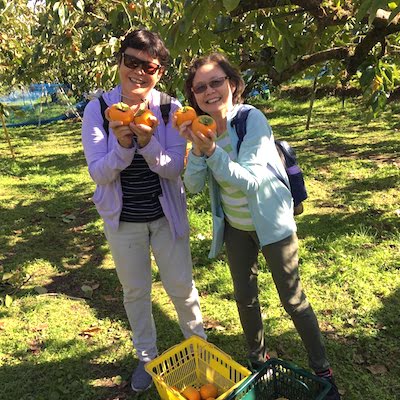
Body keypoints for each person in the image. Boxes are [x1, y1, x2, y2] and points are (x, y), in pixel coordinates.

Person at [176, 52, 341, 400]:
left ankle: (321, 366)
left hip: (271, 224)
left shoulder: (250, 120)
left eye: (216, 82)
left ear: (233, 85)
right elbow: (192, 186)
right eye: (200, 87)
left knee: (293, 300)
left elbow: (250, 180)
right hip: (236, 227)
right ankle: (257, 359)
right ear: (193, 96)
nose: (209, 92)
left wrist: (210, 153)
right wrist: (196, 147)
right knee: (244, 297)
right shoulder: (203, 129)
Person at [81, 29, 206, 393]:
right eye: (130, 62)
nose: (138, 72)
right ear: (120, 62)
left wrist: (147, 143)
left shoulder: (170, 109)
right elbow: (98, 172)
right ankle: (148, 358)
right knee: (135, 291)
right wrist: (121, 146)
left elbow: (171, 168)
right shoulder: (99, 109)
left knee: (182, 287)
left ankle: (198, 349)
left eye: (147, 67)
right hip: (123, 222)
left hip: (166, 216)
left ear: (159, 72)